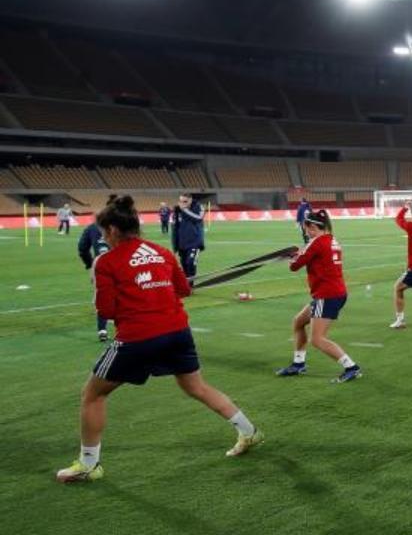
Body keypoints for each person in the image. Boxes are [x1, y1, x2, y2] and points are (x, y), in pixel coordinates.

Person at [55, 196, 263, 483]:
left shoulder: (106, 261)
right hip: (178, 332)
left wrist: (103, 287)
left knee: (92, 394)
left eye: (104, 232)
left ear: (113, 230)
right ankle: (248, 431)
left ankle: (89, 464)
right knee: (197, 387)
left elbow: (106, 311)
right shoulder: (162, 252)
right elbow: (184, 291)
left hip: (138, 337)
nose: (104, 237)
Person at [276, 210, 362, 383]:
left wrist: (290, 258)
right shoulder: (332, 240)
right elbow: (315, 258)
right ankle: (298, 364)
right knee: (298, 322)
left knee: (317, 339)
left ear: (313, 227)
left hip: (326, 294)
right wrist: (299, 254)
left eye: (306, 229)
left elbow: (294, 267)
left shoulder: (316, 243)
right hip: (333, 292)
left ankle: (351, 367)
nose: (305, 232)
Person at [78, 195, 117, 341]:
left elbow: (82, 248)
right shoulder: (125, 226)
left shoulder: (93, 227)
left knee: (102, 295)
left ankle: (102, 330)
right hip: (121, 263)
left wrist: (90, 264)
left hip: (100, 264)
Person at [171, 194, 205, 282]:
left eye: (185, 201)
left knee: (190, 263)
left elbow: (198, 218)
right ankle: (187, 286)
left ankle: (191, 285)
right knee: (184, 266)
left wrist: (185, 210)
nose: (182, 204)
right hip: (182, 244)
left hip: (195, 243)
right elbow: (175, 229)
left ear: (190, 200)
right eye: (181, 201)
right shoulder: (177, 211)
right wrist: (175, 246)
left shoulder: (198, 207)